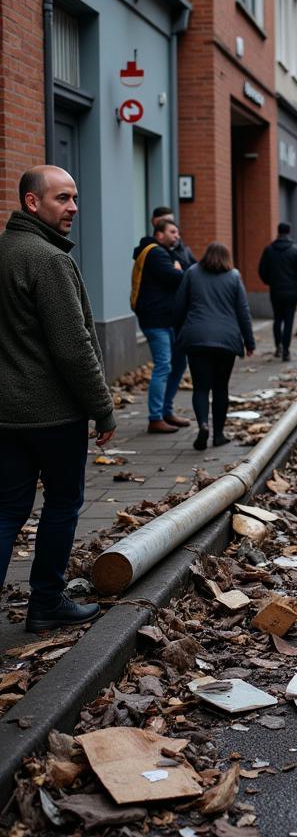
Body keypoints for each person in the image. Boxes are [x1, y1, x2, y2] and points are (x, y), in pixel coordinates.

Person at [0, 166, 115, 631]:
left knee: (7, 509)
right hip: (51, 414)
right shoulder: (48, 260)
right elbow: (74, 347)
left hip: (6, 413)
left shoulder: (5, 251)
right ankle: (47, 601)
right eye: (62, 199)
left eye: (74, 198)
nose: (73, 208)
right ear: (33, 203)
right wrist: (102, 407)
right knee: (64, 503)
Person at [173, 242, 255, 450]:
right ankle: (218, 435)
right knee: (221, 388)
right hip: (226, 340)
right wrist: (249, 341)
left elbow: (179, 306)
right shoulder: (234, 276)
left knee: (200, 387)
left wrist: (181, 333)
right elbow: (243, 312)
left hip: (197, 338)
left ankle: (203, 424)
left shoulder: (192, 273)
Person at [132, 216, 188, 433]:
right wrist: (177, 269)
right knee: (164, 365)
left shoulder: (163, 253)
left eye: (177, 232)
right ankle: (155, 418)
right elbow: (178, 277)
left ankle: (166, 411)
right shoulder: (155, 253)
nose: (177, 236)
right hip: (156, 320)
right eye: (173, 232)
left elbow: (182, 269)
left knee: (178, 363)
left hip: (167, 319)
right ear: (159, 234)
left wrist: (178, 267)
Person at [258, 222, 297, 360]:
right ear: (289, 232)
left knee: (277, 319)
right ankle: (286, 349)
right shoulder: (296, 251)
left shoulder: (269, 250)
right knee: (289, 320)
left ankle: (278, 346)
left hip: (276, 290)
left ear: (278, 232)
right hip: (292, 291)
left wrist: (270, 282)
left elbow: (262, 271)